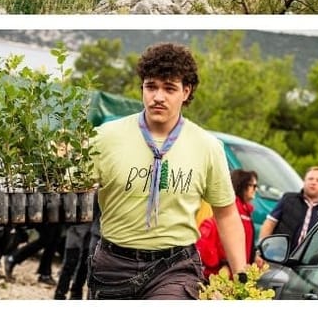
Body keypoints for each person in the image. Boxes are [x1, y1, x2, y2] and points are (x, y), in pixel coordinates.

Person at [88, 43, 248, 299]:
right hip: (114, 265)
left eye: (169, 88)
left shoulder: (208, 147)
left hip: (175, 267)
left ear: (186, 91)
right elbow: (67, 190)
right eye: (151, 86)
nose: (158, 96)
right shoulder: (105, 137)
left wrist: (242, 278)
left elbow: (227, 215)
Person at [255, 166, 318, 257]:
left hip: (307, 264)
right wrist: (261, 250)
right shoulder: (288, 199)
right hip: (278, 257)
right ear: (304, 181)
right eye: (310, 179)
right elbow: (269, 223)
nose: (313, 182)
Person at [196, 168, 257, 278]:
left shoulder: (245, 211)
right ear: (242, 185)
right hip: (224, 272)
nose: (255, 189)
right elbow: (223, 236)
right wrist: (224, 263)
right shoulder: (232, 211)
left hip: (235, 271)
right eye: (253, 186)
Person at [53, 220, 92, 299]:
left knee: (84, 264)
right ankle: (60, 295)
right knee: (70, 262)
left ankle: (75, 294)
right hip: (76, 224)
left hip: (93, 226)